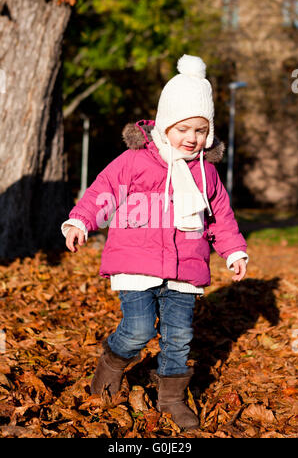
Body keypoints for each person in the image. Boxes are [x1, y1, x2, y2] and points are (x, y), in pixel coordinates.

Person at [61, 54, 248, 430]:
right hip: (137, 265)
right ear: (165, 126)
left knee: (178, 337)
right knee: (139, 329)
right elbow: (104, 190)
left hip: (185, 268)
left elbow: (220, 217)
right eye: (183, 129)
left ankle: (171, 398)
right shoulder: (135, 161)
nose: (191, 138)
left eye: (200, 130)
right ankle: (111, 365)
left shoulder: (206, 173)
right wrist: (80, 221)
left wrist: (233, 251)